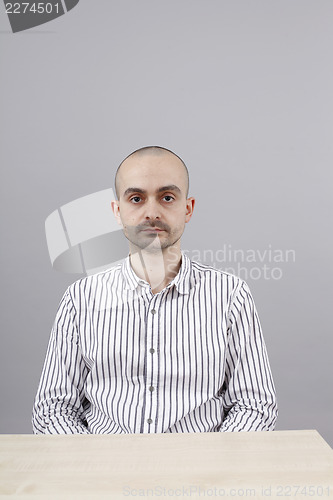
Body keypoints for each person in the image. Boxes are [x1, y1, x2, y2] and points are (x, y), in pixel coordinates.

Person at [32, 146, 278, 434]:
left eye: (167, 197)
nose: (152, 212)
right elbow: (53, 409)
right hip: (104, 471)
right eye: (136, 199)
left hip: (201, 472)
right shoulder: (81, 299)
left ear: (187, 209)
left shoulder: (230, 296)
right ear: (117, 211)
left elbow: (255, 405)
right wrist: (96, 468)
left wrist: (212, 470)